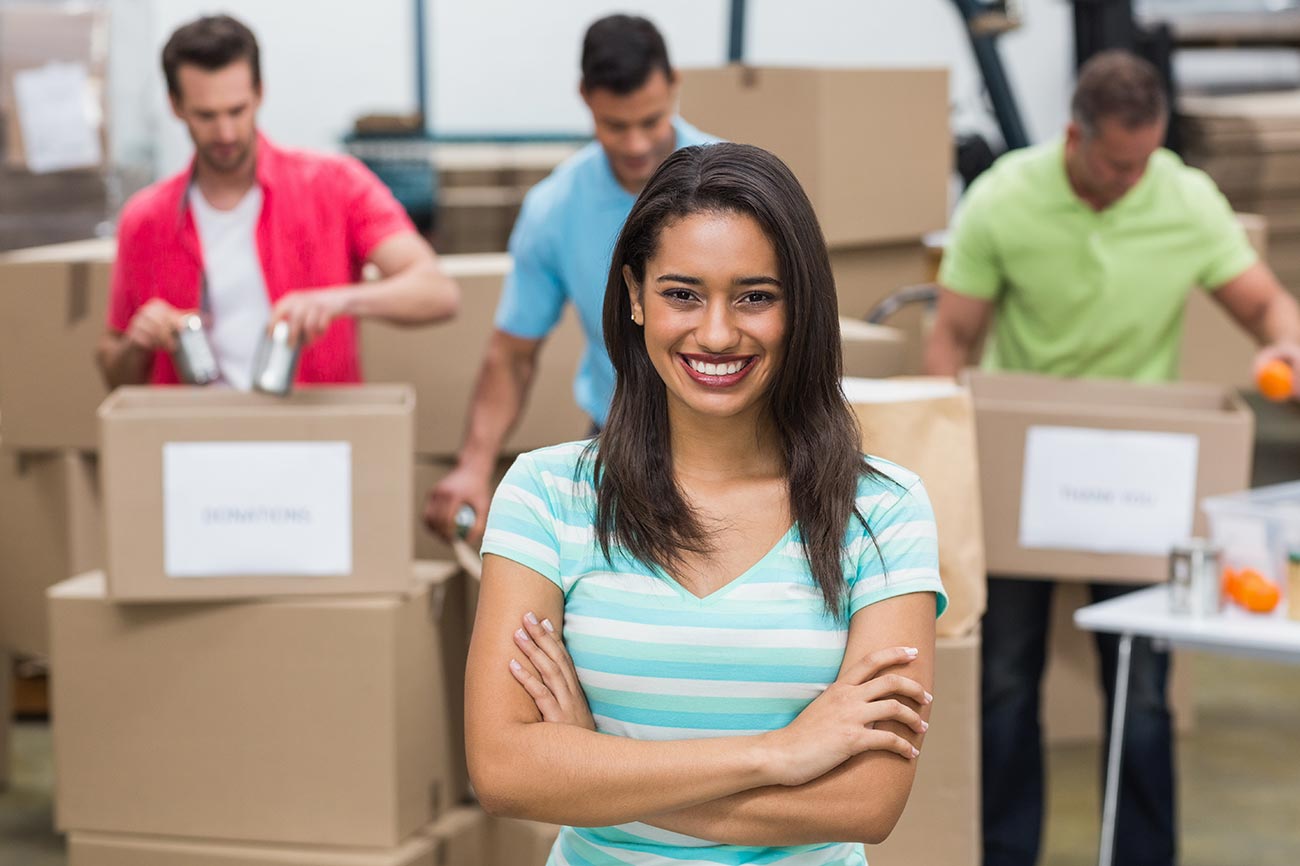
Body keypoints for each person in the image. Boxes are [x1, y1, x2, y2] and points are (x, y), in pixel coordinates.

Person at [464, 143, 948, 866]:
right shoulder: (547, 496)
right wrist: (779, 753)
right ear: (634, 295)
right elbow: (504, 772)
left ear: (800, 305)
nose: (717, 333)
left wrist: (592, 766)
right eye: (682, 294)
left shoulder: (882, 512)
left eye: (755, 296)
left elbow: (865, 804)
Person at [925, 51, 1300, 866]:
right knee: (1007, 679)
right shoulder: (1006, 198)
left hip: (1142, 478)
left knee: (1143, 692)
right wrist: (942, 458)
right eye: (1117, 162)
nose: (1134, 177)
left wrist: (1288, 341)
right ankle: (1004, 853)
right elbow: (951, 335)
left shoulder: (1184, 196)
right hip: (1025, 469)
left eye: (1146, 159)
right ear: (1075, 134)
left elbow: (1265, 303)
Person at [424, 14, 715, 543]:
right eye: (614, 125)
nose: (635, 145)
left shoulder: (735, 187)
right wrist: (474, 464)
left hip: (739, 430)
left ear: (674, 85)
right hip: (620, 437)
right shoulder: (555, 209)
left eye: (650, 121)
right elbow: (512, 355)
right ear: (584, 98)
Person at [97, 14, 458, 390]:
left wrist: (337, 302)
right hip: (193, 439)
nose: (226, 132)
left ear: (259, 93)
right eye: (206, 116)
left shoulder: (336, 185)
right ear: (176, 105)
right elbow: (113, 373)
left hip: (312, 435)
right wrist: (136, 343)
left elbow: (437, 292)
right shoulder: (145, 219)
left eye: (237, 110)